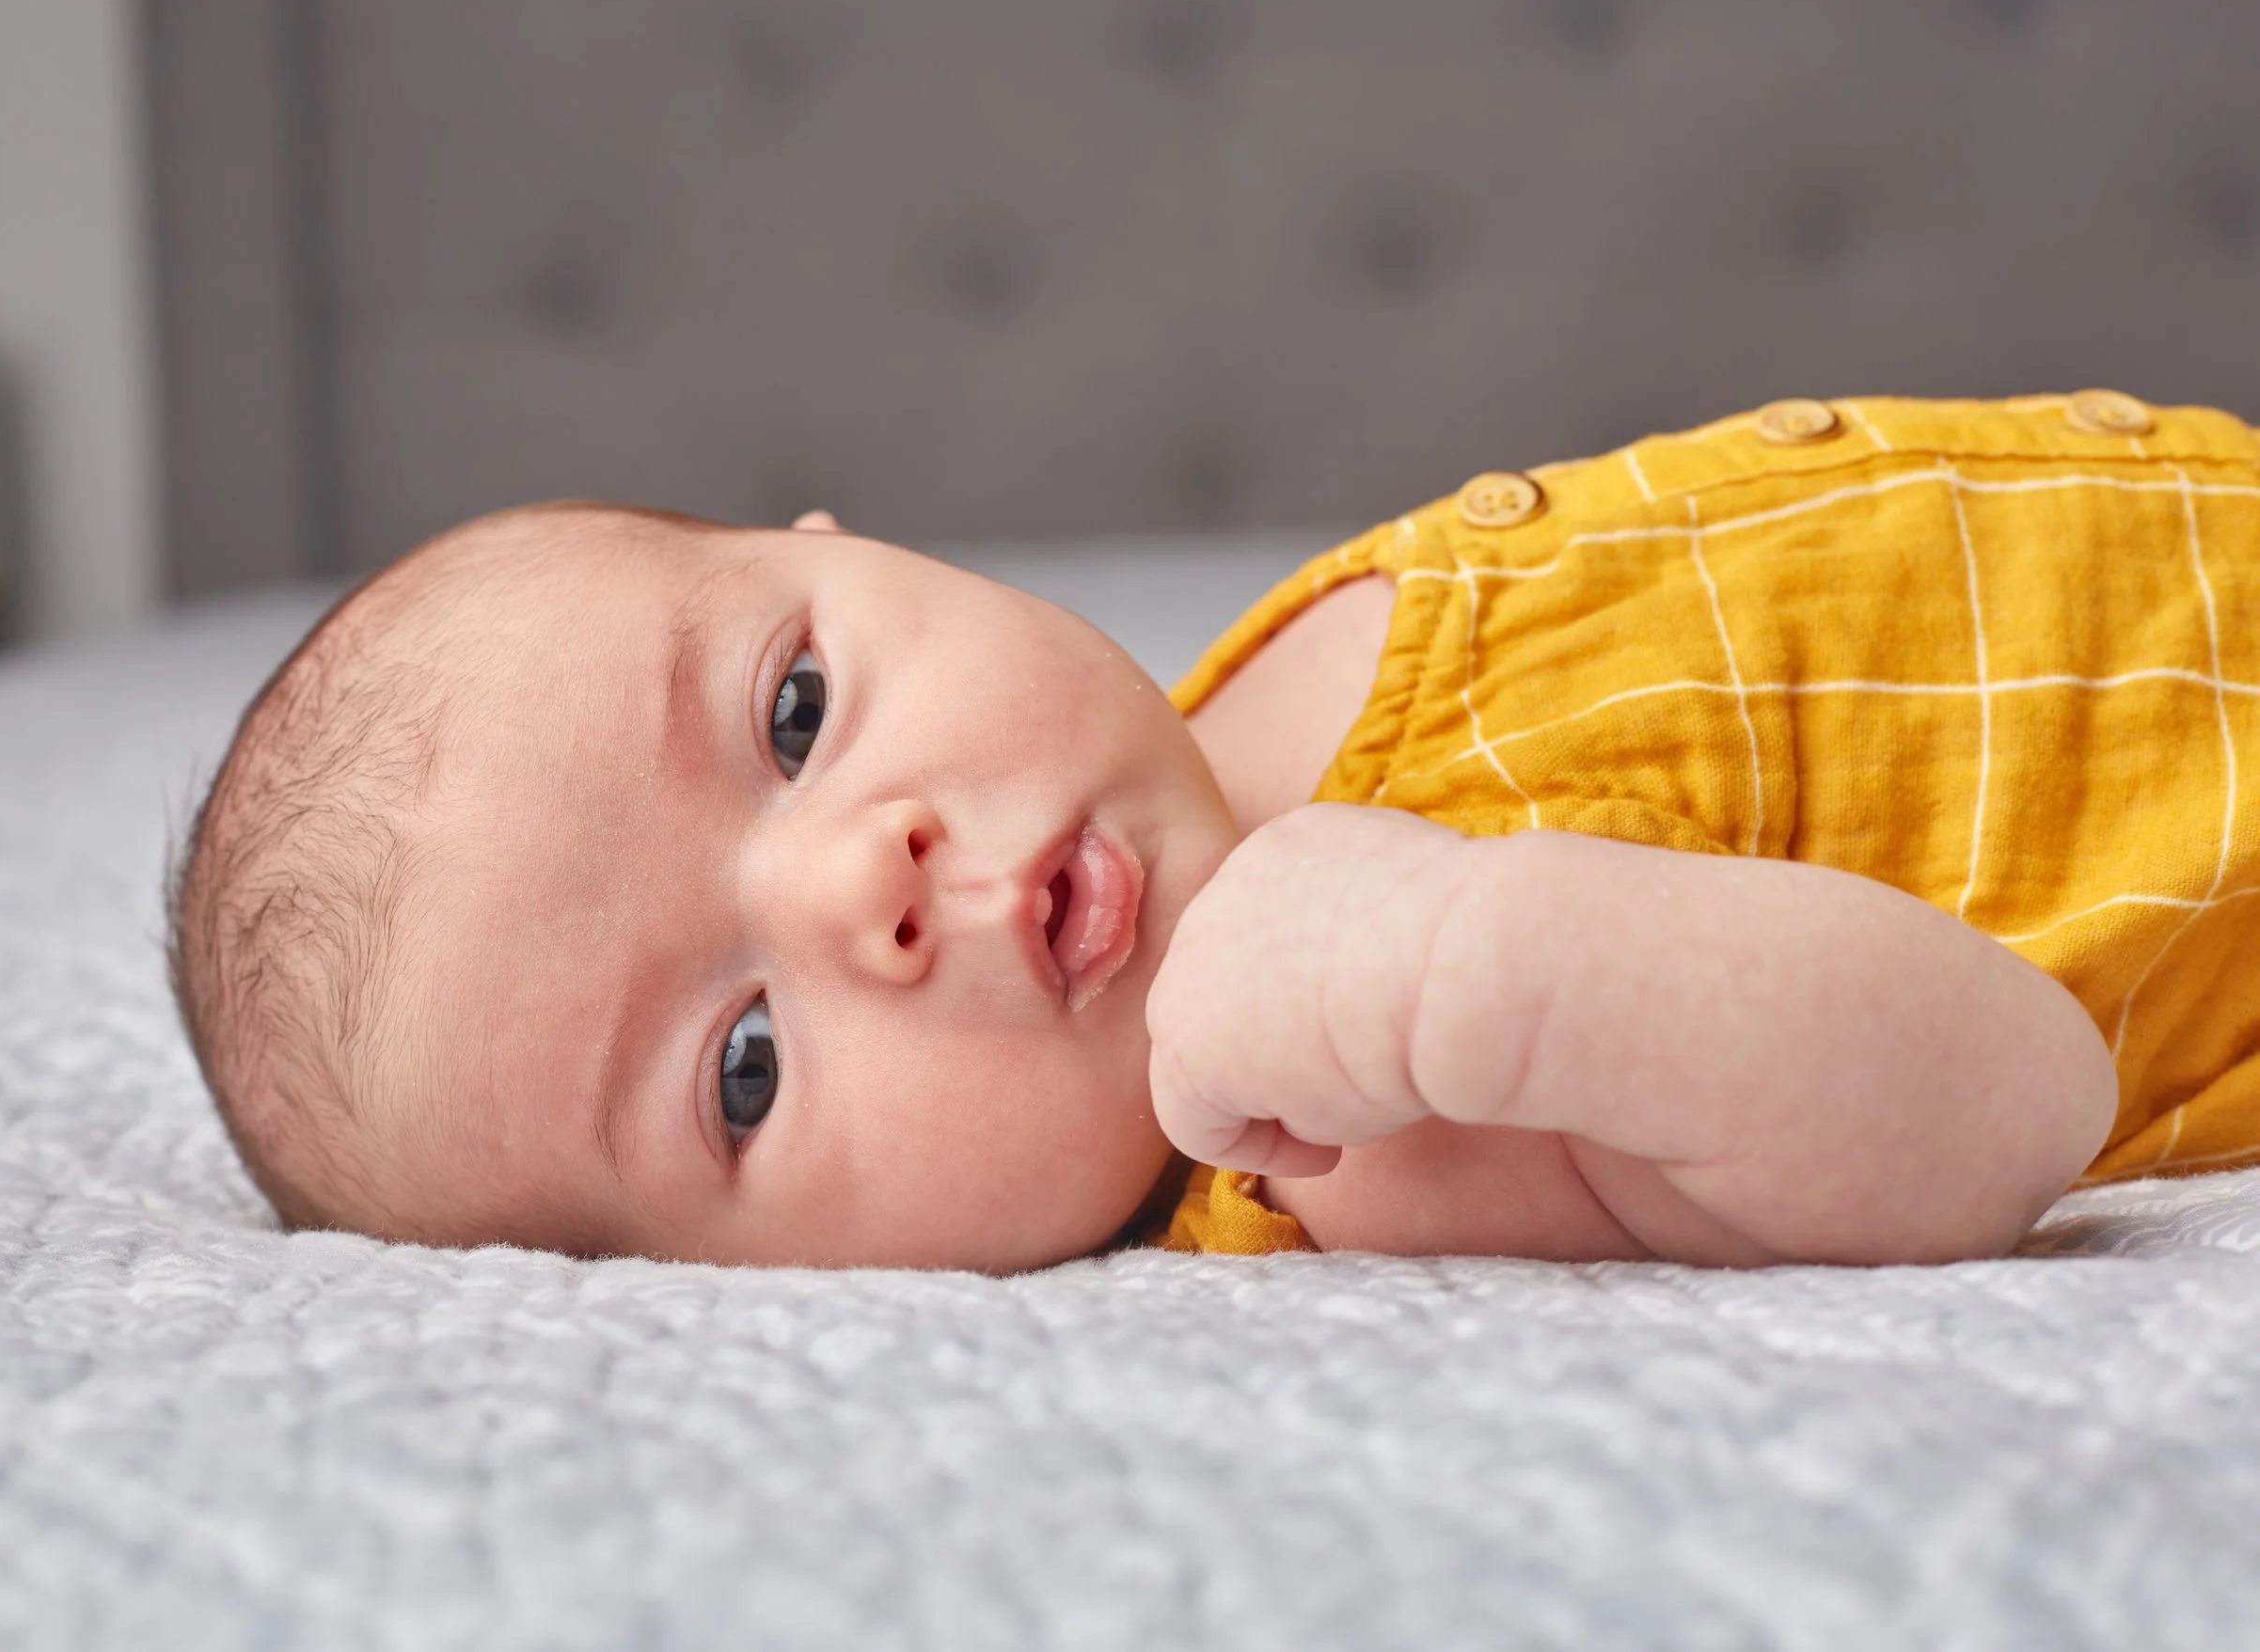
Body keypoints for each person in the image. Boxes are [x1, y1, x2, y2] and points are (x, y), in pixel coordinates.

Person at [170, 391, 2260, 1271]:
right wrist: (1480, 970)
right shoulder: (1354, 1138)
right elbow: (2006, 1097)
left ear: (848, 547)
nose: (863, 880)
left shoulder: (1235, 697)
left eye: (792, 712)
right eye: (742, 1063)